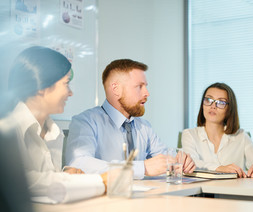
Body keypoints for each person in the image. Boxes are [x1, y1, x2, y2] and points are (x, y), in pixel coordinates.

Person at [1, 46, 107, 202]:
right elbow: (24, 181)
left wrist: (64, 175)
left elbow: (45, 182)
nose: (70, 93)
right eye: (66, 84)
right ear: (41, 87)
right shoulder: (7, 130)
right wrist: (100, 180)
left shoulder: (53, 131)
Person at [65, 59, 196, 178]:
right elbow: (79, 163)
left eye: (146, 86)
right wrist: (142, 168)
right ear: (116, 89)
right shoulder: (86, 122)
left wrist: (182, 160)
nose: (147, 93)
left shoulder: (144, 126)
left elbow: (164, 157)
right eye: (139, 86)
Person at [182, 82, 253, 178]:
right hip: (201, 191)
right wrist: (220, 168)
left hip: (233, 191)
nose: (213, 106)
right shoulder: (189, 134)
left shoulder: (240, 135)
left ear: (229, 109)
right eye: (208, 100)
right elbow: (191, 163)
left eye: (221, 102)